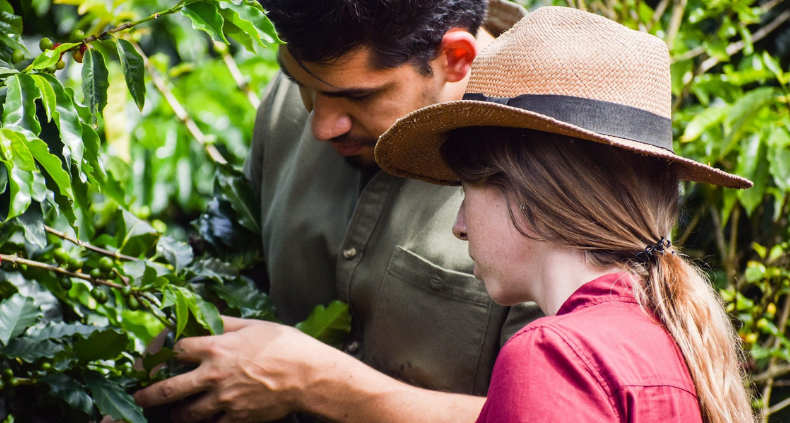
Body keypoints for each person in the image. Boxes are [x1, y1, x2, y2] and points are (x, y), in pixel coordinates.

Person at [134, 1, 543, 422]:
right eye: (303, 85)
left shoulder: (556, 178)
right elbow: (231, 275)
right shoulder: (304, 91)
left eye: (357, 96)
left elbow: (559, 413)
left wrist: (315, 384)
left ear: (455, 59)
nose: (321, 126)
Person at [375, 6, 755, 422]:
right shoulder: (671, 343)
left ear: (530, 193)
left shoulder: (555, 357)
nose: (459, 226)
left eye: (467, 191)